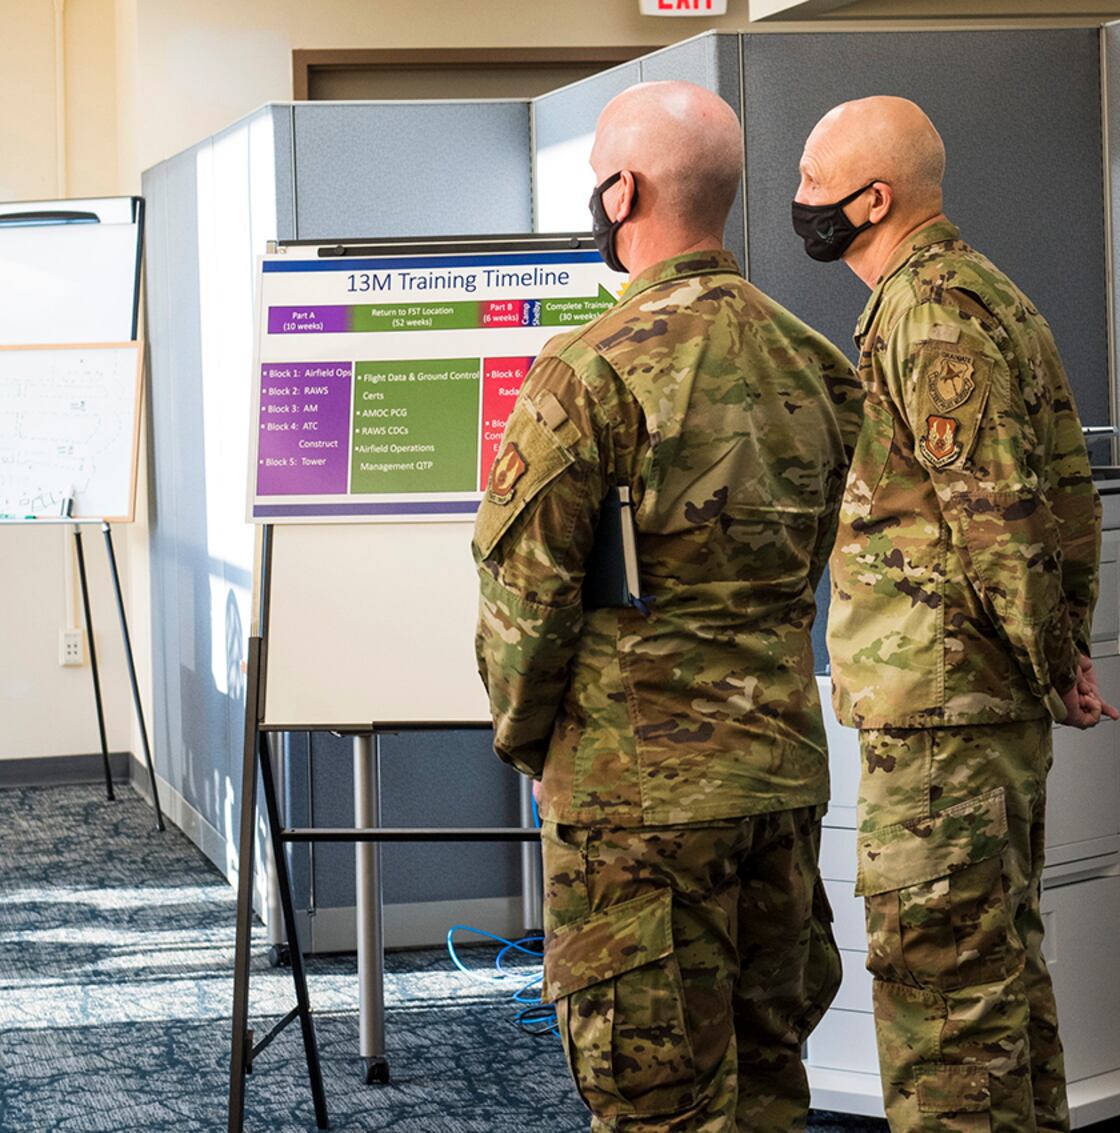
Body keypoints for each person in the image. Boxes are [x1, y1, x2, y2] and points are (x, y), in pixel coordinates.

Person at [474, 81, 862, 1131]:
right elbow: (822, 563)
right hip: (777, 777)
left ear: (620, 189)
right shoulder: (821, 367)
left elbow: (527, 603)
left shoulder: (585, 373)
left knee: (658, 1103)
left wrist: (526, 740)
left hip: (634, 804)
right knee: (770, 1077)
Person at [796, 96, 1115, 1133]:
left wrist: (1053, 659)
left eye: (812, 181)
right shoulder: (981, 294)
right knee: (998, 990)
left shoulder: (928, 310)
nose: (799, 201)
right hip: (978, 708)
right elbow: (1055, 499)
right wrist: (1059, 656)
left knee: (944, 1013)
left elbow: (1000, 519)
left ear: (872, 198)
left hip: (944, 722)